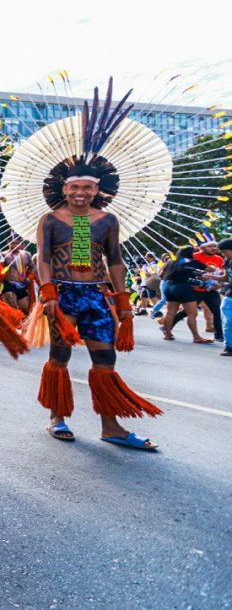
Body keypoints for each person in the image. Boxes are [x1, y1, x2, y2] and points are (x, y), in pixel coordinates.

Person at [35, 162, 162, 449]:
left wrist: (123, 300)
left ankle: (111, 427)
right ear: (64, 189)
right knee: (60, 356)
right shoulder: (50, 220)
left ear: (96, 190)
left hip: (96, 295)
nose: (80, 192)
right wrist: (48, 293)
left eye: (87, 187)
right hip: (63, 295)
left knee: (105, 360)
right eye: (74, 187)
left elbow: (115, 261)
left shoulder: (108, 221)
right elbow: (43, 258)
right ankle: (57, 417)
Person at [169, 237, 225, 342]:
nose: (213, 248)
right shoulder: (193, 257)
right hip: (195, 289)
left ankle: (219, 335)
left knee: (217, 311)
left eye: (214, 246)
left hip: (211, 289)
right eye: (210, 246)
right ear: (202, 248)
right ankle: (167, 327)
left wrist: (220, 284)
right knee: (187, 312)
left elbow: (223, 273)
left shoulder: (219, 259)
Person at [160, 246, 210, 343]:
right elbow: (210, 269)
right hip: (183, 287)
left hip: (169, 287)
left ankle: (168, 334)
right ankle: (196, 337)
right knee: (192, 314)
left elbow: (161, 274)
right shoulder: (192, 262)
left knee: (170, 313)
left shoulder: (170, 262)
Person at [217, 238, 232, 357]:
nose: (223, 254)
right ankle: (229, 347)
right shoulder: (227, 261)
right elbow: (226, 277)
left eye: (225, 252)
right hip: (230, 295)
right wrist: (212, 276)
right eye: (221, 252)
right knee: (228, 322)